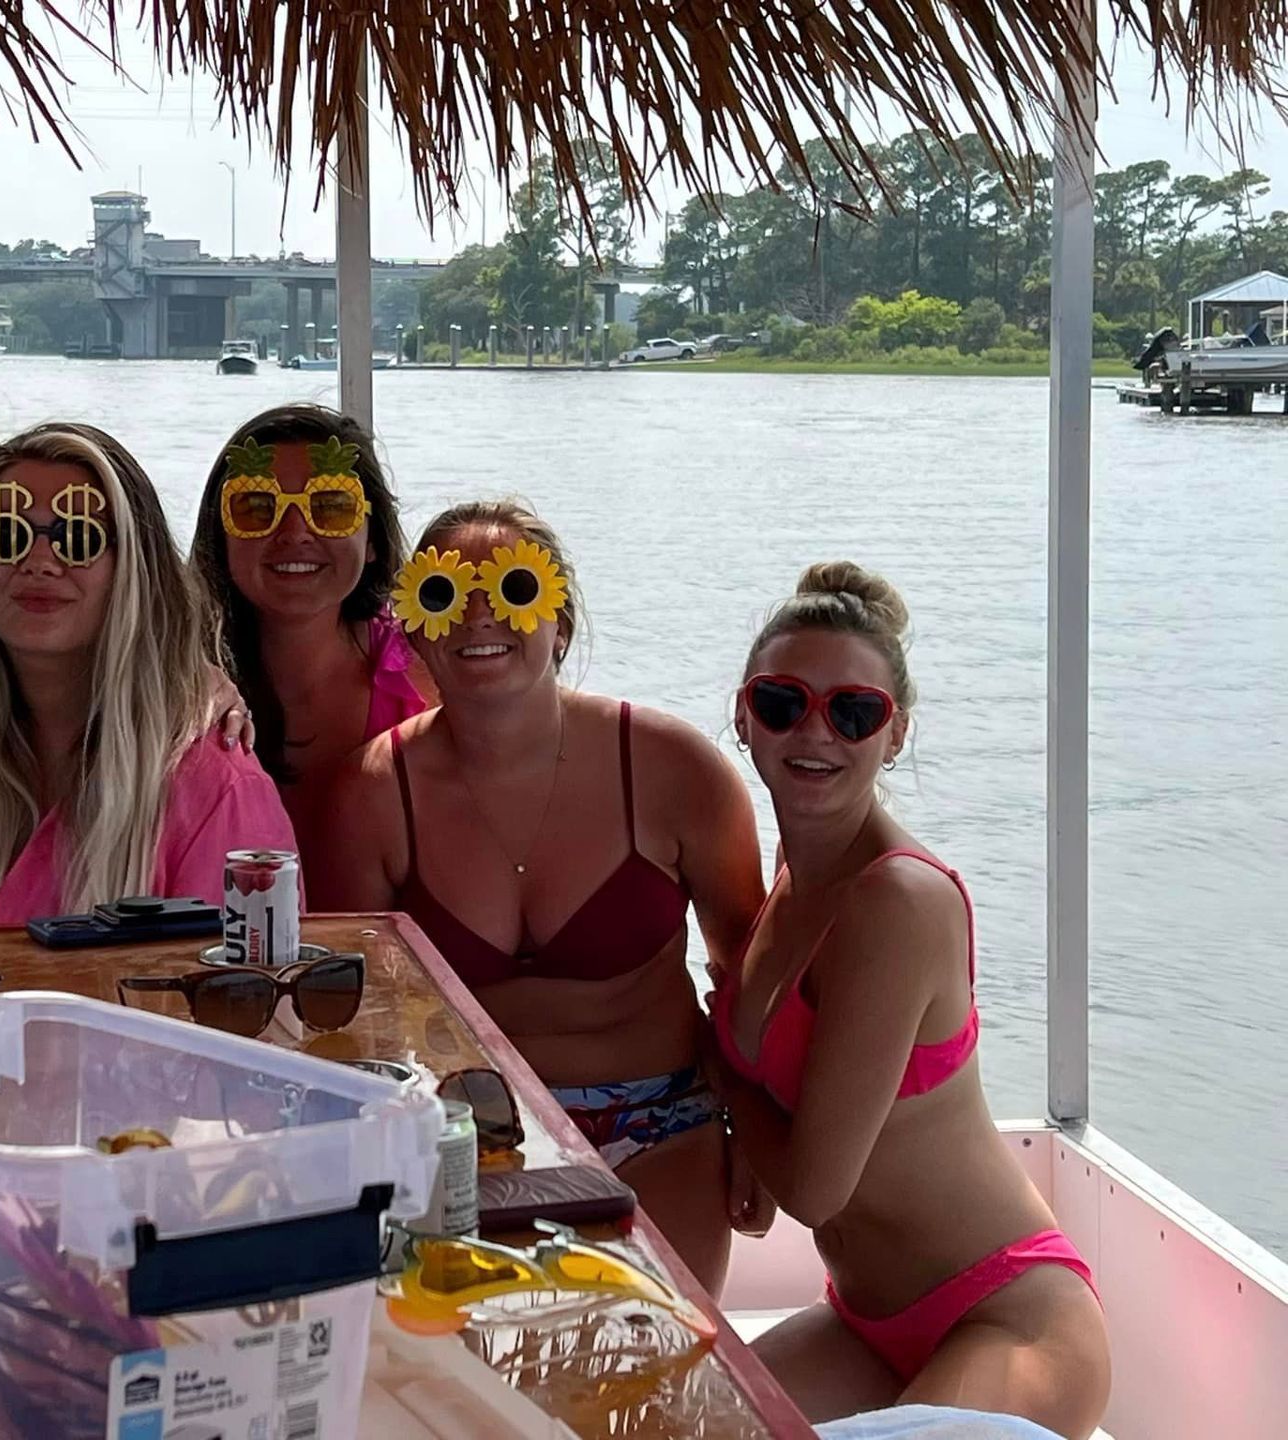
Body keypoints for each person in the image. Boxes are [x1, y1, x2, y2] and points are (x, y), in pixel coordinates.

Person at [312, 501, 766, 1293]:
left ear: (560, 622)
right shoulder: (372, 795)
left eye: (513, 586)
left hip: (661, 1123)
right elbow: (362, 1017)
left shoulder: (672, 767)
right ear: (417, 629)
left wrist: (759, 1138)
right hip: (470, 1136)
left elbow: (748, 978)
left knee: (660, 1364)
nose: (481, 616)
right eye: (450, 594)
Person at [704, 562, 1108, 1437]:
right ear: (744, 716)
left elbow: (813, 1187)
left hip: (1006, 1313)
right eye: (783, 701)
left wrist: (721, 1077)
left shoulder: (900, 902)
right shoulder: (790, 877)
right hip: (864, 1322)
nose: (816, 731)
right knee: (678, 1424)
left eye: (854, 712)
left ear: (895, 736)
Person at [0, 422, 295, 921]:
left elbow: (244, 987)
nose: (39, 561)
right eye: (5, 534)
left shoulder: (214, 783)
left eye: (79, 537)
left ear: (133, 571)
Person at [189, 405, 431, 854]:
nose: (295, 531)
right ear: (219, 538)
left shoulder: (428, 675)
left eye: (332, 507)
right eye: (257, 508)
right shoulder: (173, 681)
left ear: (373, 540)